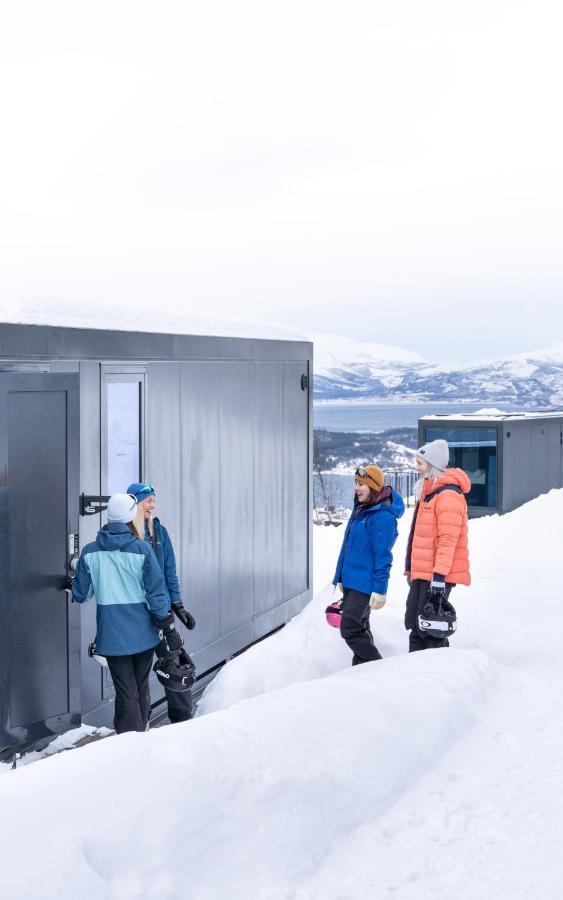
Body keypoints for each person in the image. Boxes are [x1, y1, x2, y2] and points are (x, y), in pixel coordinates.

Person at [71, 492, 183, 733]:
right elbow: (156, 594)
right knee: (140, 687)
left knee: (125, 691)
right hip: (144, 633)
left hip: (111, 636)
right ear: (132, 515)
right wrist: (169, 626)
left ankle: (128, 742)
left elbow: (81, 594)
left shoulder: (90, 552)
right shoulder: (142, 550)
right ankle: (140, 737)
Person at [128, 482, 196, 723]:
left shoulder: (159, 532)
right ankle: (140, 724)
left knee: (175, 667)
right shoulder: (125, 535)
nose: (152, 504)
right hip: (135, 615)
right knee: (138, 673)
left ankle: (183, 721)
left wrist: (177, 605)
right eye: (148, 500)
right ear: (134, 503)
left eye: (154, 499)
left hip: (162, 614)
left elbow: (170, 571)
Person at [332, 464, 404, 664]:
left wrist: (380, 590)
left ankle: (377, 667)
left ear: (373, 487)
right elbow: (348, 547)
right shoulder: (361, 510)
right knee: (361, 627)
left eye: (361, 484)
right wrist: (340, 577)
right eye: (356, 483)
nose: (356, 488)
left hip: (364, 584)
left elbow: (383, 557)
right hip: (352, 581)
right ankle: (363, 672)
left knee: (350, 628)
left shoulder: (382, 517)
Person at [404, 439, 471, 652]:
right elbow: (417, 536)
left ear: (432, 466)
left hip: (435, 575)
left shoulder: (448, 495)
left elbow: (447, 540)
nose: (417, 467)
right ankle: (413, 674)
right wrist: (411, 570)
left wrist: (439, 579)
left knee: (431, 628)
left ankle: (436, 677)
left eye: (420, 463)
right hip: (423, 573)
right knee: (416, 625)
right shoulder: (429, 494)